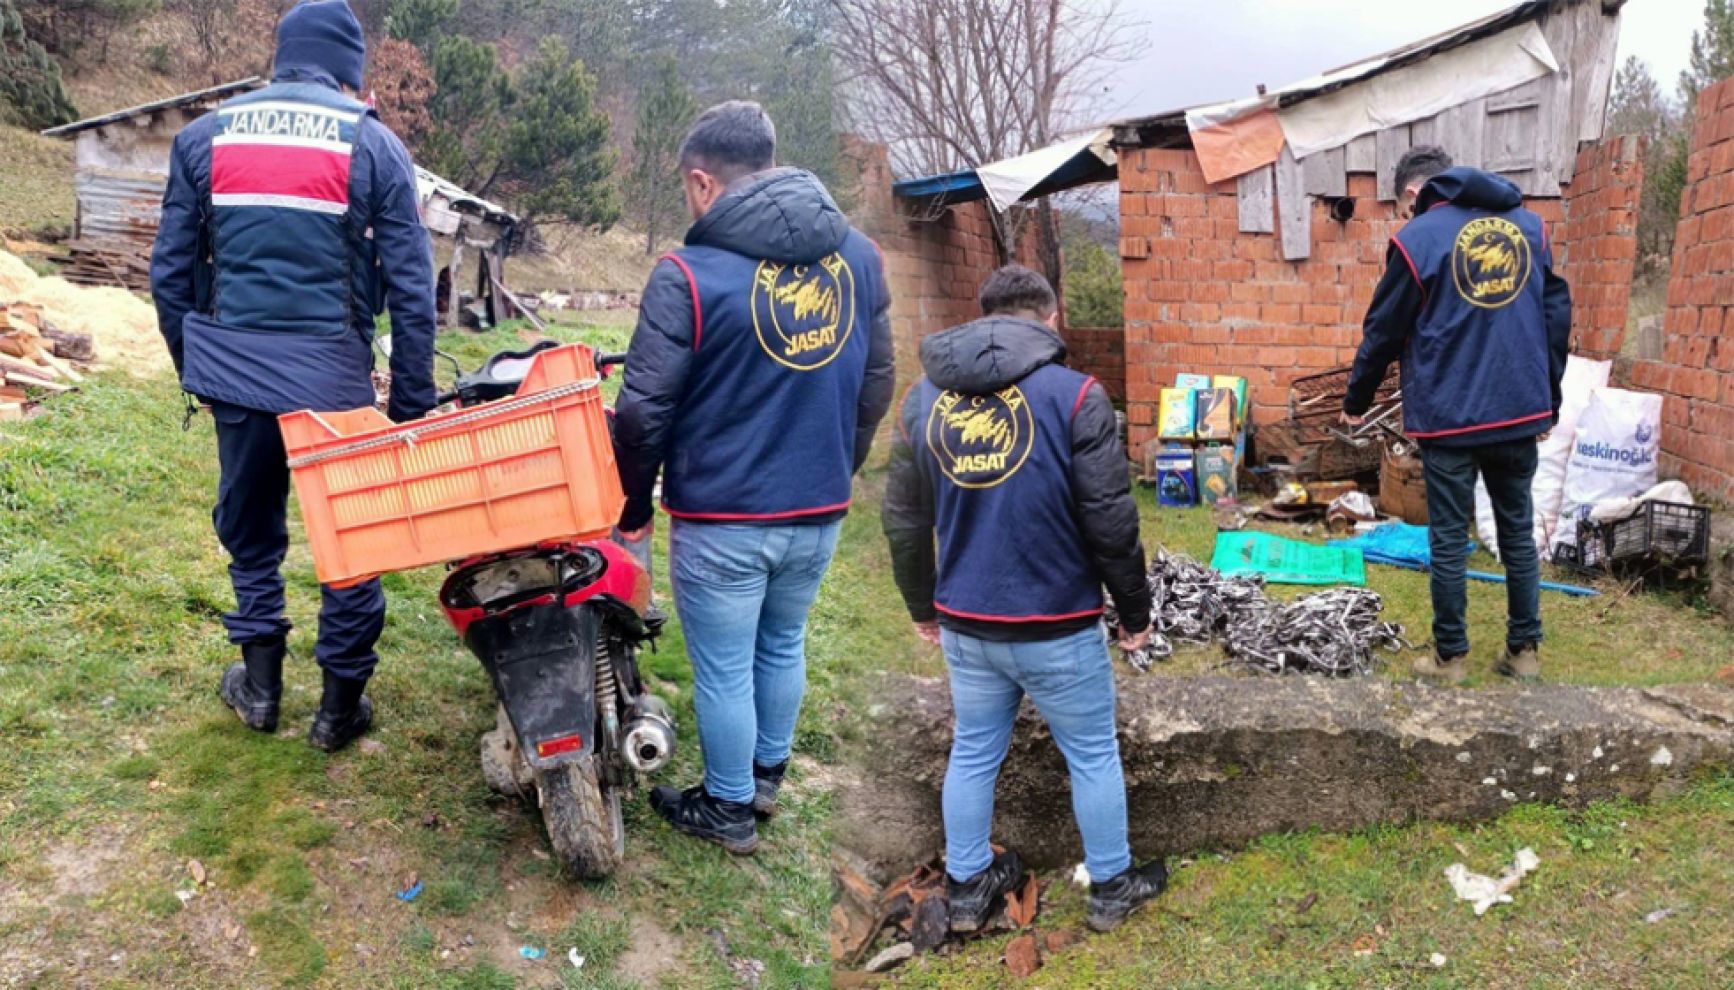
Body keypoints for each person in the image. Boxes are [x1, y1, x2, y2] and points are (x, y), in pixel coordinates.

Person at [150, 0, 437, 751]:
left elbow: (169, 278)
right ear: (348, 71)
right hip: (334, 383)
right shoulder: (374, 145)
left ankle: (260, 690)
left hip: (236, 378)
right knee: (352, 540)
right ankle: (337, 711)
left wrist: (198, 369)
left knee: (250, 531)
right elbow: (413, 291)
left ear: (282, 59)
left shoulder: (204, 137)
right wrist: (410, 407)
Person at [613, 101, 894, 854]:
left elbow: (642, 412)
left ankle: (729, 806)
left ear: (703, 183)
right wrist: (842, 465)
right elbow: (876, 383)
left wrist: (633, 507)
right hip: (819, 509)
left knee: (725, 668)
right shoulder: (860, 259)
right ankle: (766, 779)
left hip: (723, 517)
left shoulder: (687, 275)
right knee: (783, 641)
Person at [882, 264, 1168, 934]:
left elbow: (903, 520)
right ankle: (1111, 886)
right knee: (1091, 753)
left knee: (974, 749)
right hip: (1056, 622)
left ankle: (967, 885)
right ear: (1051, 318)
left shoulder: (922, 400)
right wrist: (1134, 615)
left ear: (984, 315)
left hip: (968, 622)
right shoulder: (1076, 396)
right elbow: (1110, 520)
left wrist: (922, 606)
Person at [1343, 146, 1571, 683]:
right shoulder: (1530, 230)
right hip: (1518, 412)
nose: (1407, 218)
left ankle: (1450, 659)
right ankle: (1524, 652)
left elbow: (1383, 331)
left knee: (1447, 537)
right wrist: (1548, 401)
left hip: (1449, 418)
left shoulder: (1417, 240)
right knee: (1517, 532)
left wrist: (1357, 401)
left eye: (1406, 209)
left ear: (1413, 193)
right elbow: (1555, 320)